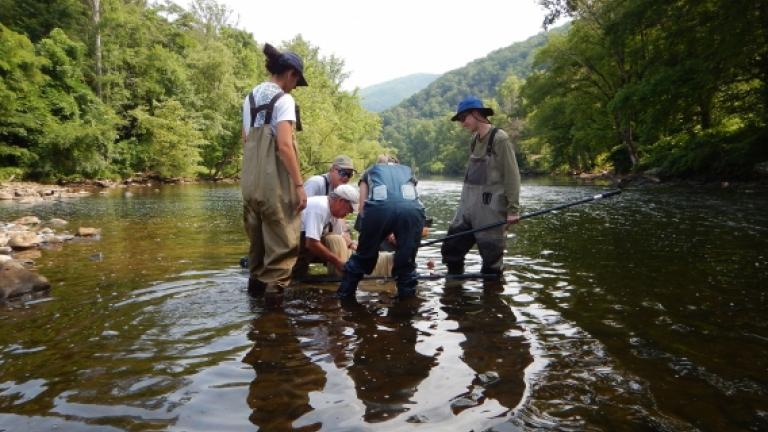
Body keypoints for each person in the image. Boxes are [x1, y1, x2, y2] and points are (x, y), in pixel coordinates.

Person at [241, 43, 308, 296]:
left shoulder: (249, 99)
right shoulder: (284, 100)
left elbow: (246, 140)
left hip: (249, 184)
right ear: (290, 73)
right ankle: (272, 325)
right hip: (274, 185)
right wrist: (299, 186)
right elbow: (284, 146)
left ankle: (254, 316)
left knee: (257, 254)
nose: (294, 87)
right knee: (280, 254)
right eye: (296, 81)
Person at [441, 96, 521, 277]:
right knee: (451, 252)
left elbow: (512, 176)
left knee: (491, 263)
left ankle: (491, 300)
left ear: (477, 114)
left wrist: (513, 209)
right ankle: (454, 293)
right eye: (460, 120)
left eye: (464, 118)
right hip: (467, 209)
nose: (462, 123)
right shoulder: (474, 140)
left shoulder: (500, 139)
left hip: (490, 211)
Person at [337, 159, 425, 300]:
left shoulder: (369, 172)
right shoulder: (407, 171)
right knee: (406, 263)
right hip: (412, 212)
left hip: (379, 211)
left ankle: (344, 298)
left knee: (362, 259)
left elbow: (362, 209)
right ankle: (406, 307)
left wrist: (374, 234)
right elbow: (410, 199)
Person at [293, 185, 359, 277]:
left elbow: (341, 236)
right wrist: (337, 261)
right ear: (341, 201)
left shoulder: (333, 212)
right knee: (296, 274)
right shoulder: (320, 208)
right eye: (349, 210)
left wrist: (353, 246)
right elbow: (311, 243)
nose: (348, 214)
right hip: (291, 240)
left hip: (304, 242)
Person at [304, 155, 358, 250]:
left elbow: (339, 218)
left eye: (349, 175)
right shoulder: (316, 183)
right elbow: (303, 209)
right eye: (343, 173)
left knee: (342, 243)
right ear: (332, 169)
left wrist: (349, 242)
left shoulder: (338, 190)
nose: (346, 178)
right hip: (301, 233)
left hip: (317, 231)